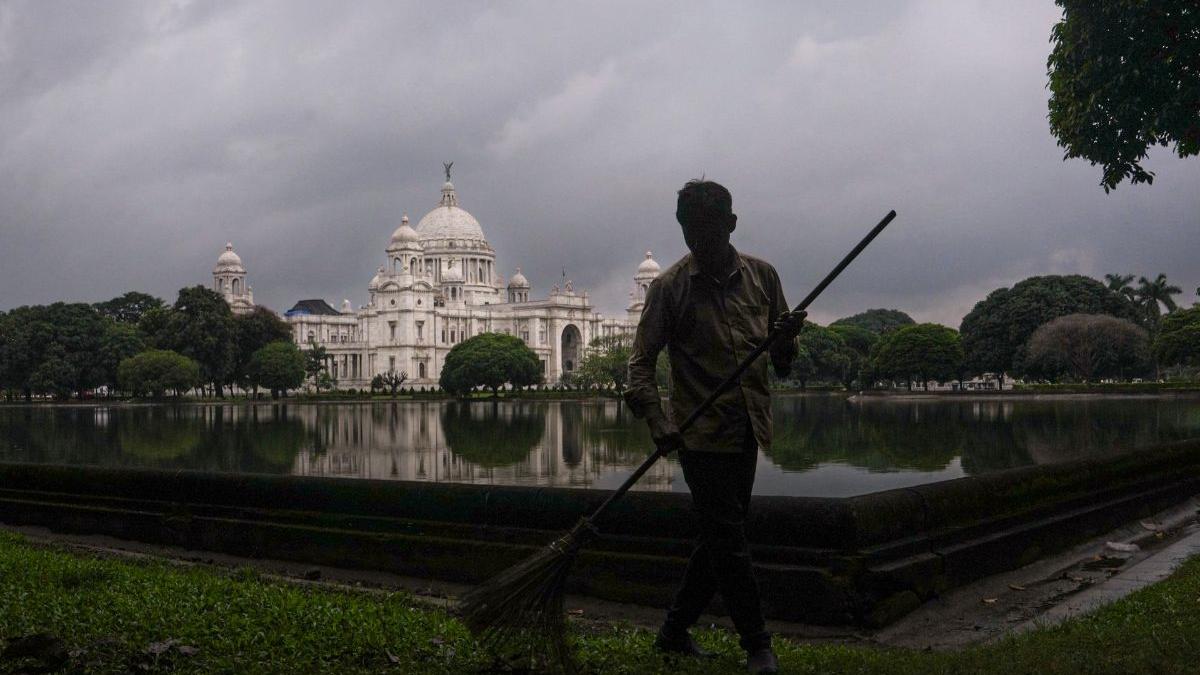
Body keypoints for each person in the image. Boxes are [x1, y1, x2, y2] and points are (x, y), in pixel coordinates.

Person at [625, 179, 803, 675]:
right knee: (728, 536)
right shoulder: (670, 288)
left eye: (708, 233)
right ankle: (758, 645)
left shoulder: (764, 277)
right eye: (690, 234)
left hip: (748, 424)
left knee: (720, 536)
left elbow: (783, 362)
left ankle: (673, 631)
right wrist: (658, 421)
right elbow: (639, 367)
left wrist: (787, 341)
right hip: (699, 435)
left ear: (731, 225)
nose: (699, 244)